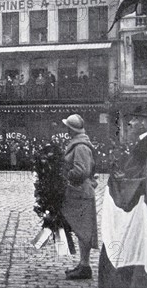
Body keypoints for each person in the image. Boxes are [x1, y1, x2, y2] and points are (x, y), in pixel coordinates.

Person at [61, 114, 98, 280]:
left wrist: (62, 175)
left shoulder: (81, 146)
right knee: (80, 229)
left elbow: (81, 171)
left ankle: (85, 266)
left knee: (83, 231)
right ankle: (83, 264)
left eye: (67, 127)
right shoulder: (79, 144)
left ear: (71, 129)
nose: (66, 130)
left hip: (81, 194)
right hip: (78, 193)